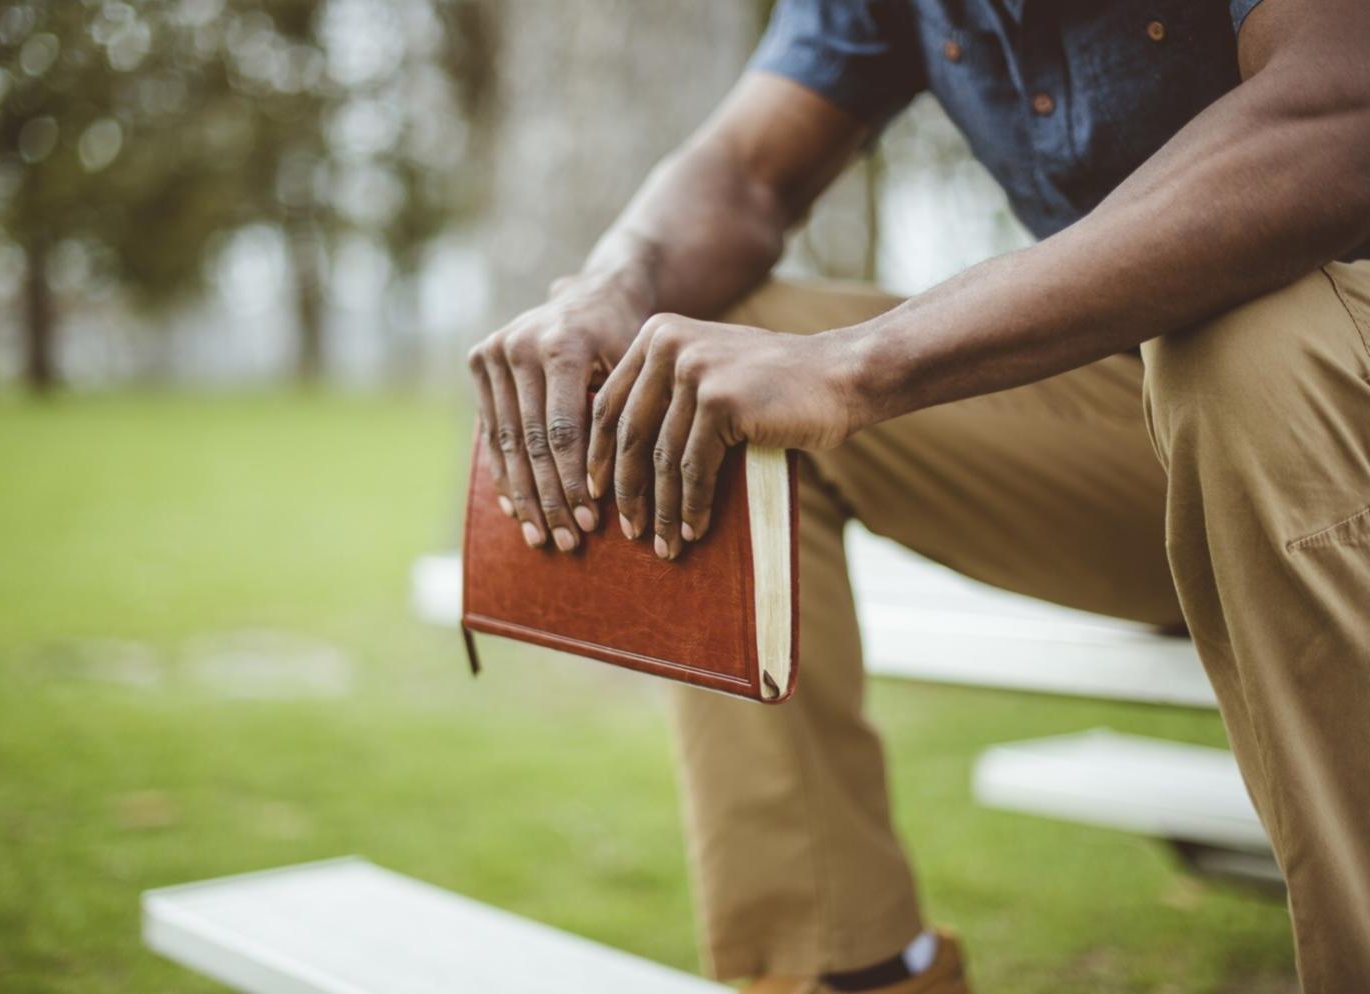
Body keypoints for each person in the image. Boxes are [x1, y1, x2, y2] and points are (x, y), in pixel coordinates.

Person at [466, 0, 1370, 990]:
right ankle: (844, 972)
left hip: (1310, 390)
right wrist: (612, 282)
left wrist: (859, 363)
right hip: (1175, 426)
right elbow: (741, 169)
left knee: (1248, 342)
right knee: (694, 368)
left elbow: (1336, 114)